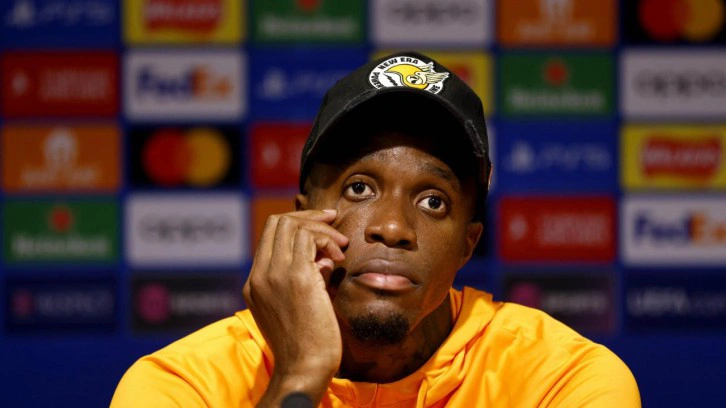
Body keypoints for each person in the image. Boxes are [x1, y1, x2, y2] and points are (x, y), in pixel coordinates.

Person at [111, 52, 640, 407]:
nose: (392, 227)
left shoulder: (559, 380)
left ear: (468, 244)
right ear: (300, 218)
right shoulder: (184, 386)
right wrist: (299, 375)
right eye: (359, 188)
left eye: (433, 201)